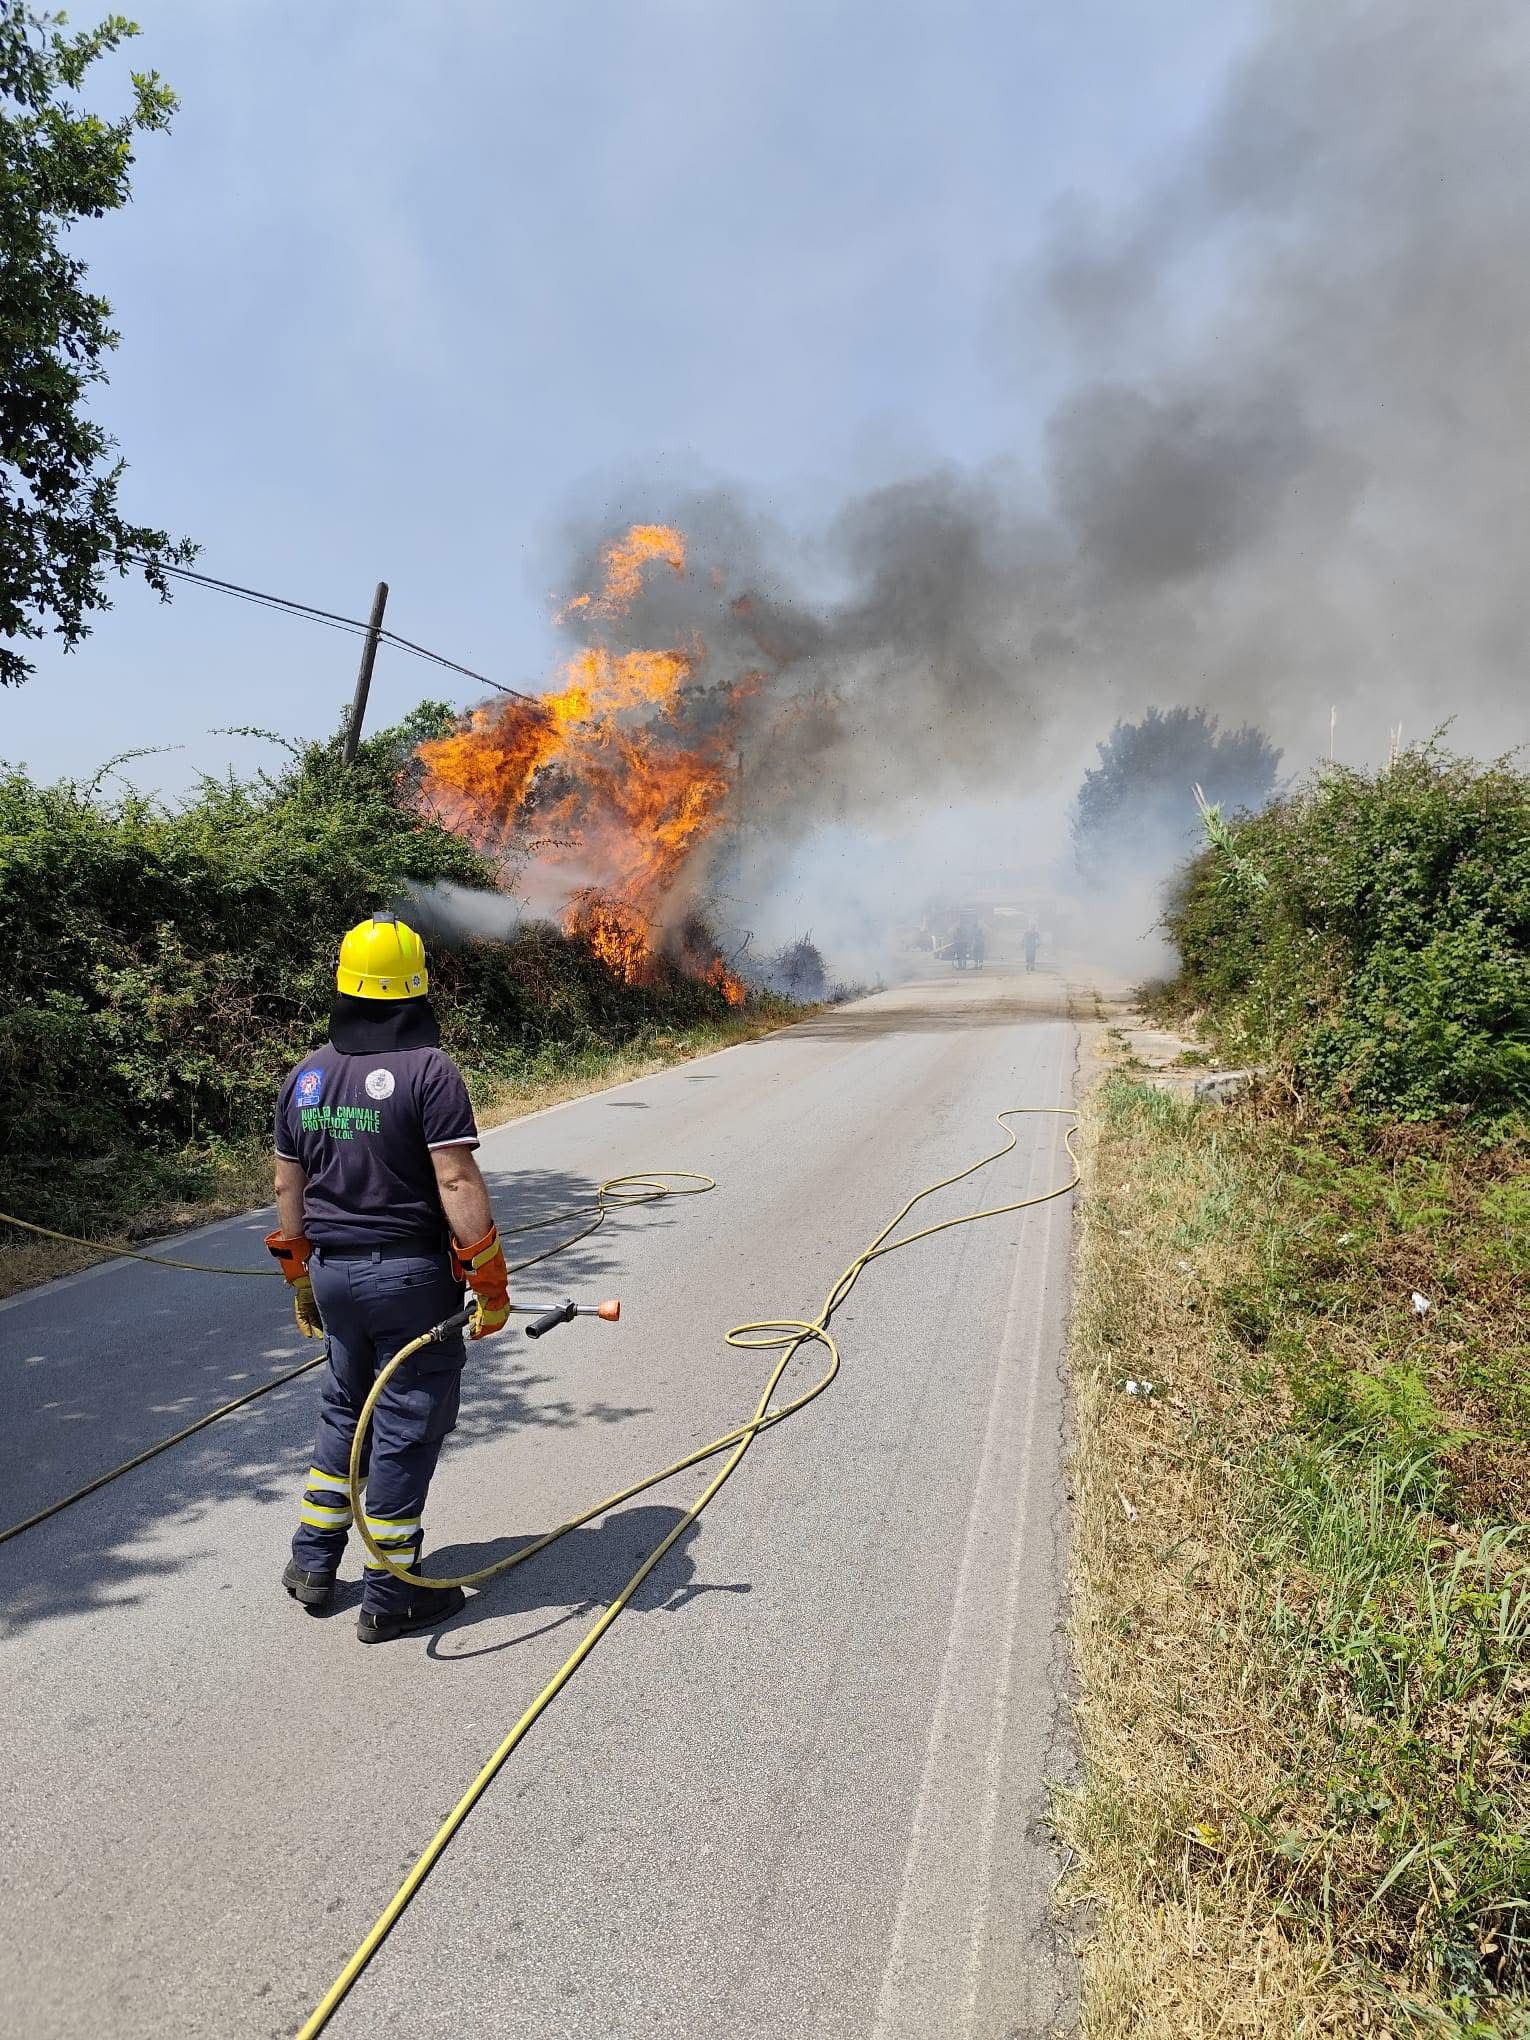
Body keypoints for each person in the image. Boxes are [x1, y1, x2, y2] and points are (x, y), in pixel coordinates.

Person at [265, 913, 511, 1643]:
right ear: (415, 989)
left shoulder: (306, 1073)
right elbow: (457, 1180)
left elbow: (287, 1184)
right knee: (404, 1422)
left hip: (336, 1275)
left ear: (344, 983)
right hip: (408, 1277)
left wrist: (299, 1271)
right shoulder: (430, 1070)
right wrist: (490, 1278)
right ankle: (393, 1592)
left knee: (346, 1409)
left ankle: (313, 1562)